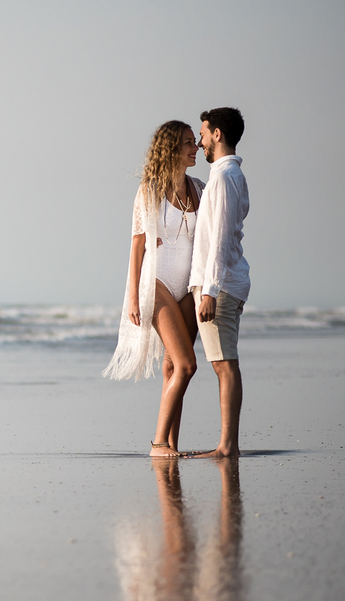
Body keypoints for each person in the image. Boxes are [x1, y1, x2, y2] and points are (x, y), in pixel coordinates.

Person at [104, 121, 205, 457]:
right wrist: (133, 295)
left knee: (172, 368)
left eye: (196, 141)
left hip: (187, 288)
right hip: (157, 283)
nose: (196, 148)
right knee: (187, 364)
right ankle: (159, 444)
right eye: (189, 143)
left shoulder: (199, 189)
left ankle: (172, 445)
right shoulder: (150, 189)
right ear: (172, 148)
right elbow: (136, 246)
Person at [188, 108, 250, 459]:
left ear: (218, 134)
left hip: (221, 285)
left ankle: (227, 445)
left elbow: (222, 237)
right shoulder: (226, 175)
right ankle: (229, 444)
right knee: (223, 363)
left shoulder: (225, 176)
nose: (200, 141)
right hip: (224, 282)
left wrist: (209, 290)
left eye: (203, 133)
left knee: (225, 364)